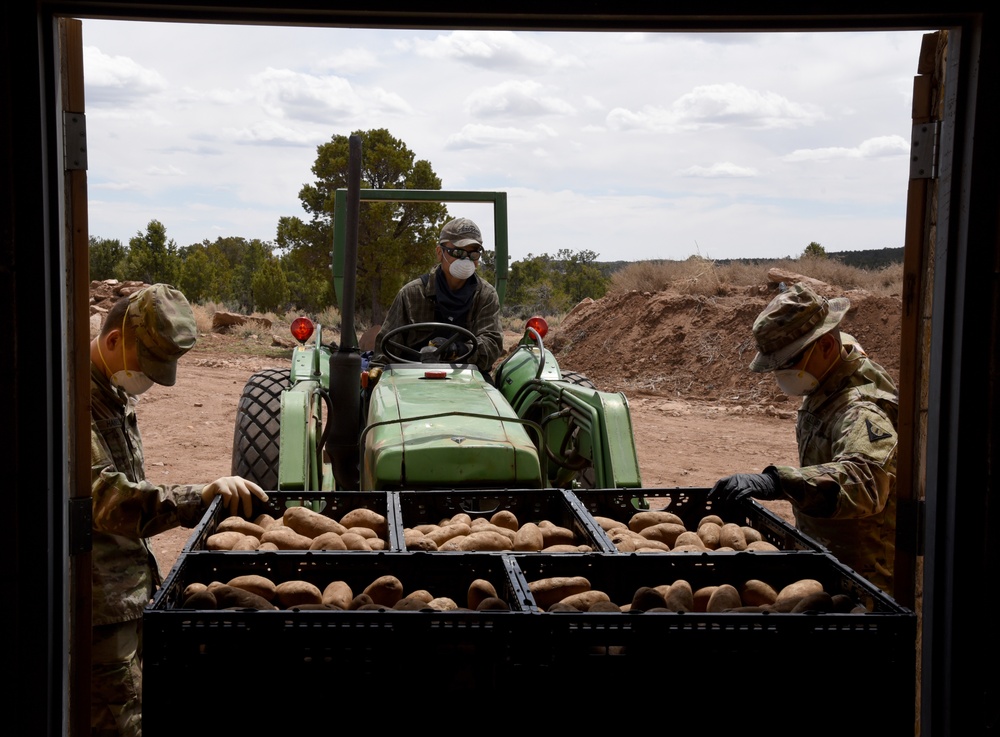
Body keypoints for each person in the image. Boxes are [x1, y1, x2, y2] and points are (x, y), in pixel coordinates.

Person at [89, 283, 268, 736]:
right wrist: (198, 496)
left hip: (126, 597)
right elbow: (108, 499)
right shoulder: (74, 403)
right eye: (146, 367)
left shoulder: (110, 390)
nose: (148, 380)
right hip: (97, 610)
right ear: (112, 341)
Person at [708, 282, 898, 594]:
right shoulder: (831, 366)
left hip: (862, 580)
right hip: (826, 558)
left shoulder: (861, 408)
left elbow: (865, 482)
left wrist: (778, 482)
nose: (781, 373)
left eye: (788, 362)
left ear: (824, 346)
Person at [374, 217, 503, 376]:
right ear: (439, 253)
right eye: (458, 252)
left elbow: (491, 345)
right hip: (411, 379)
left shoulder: (486, 295)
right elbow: (385, 350)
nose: (466, 259)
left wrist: (457, 350)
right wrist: (377, 373)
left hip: (467, 378)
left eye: (473, 253)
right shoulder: (411, 294)